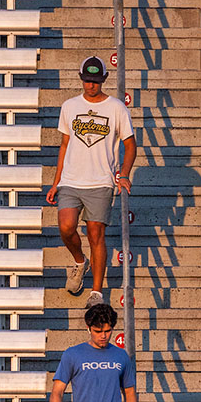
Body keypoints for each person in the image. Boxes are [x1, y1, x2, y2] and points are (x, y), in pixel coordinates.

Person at [46, 55, 137, 308]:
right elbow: (65, 145)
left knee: (96, 233)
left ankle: (96, 292)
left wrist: (125, 174)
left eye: (95, 81)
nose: (91, 86)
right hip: (71, 179)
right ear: (81, 79)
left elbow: (130, 145)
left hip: (101, 180)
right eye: (87, 80)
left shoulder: (117, 107)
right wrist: (56, 182)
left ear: (104, 80)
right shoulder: (69, 106)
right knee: (66, 226)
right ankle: (79, 261)